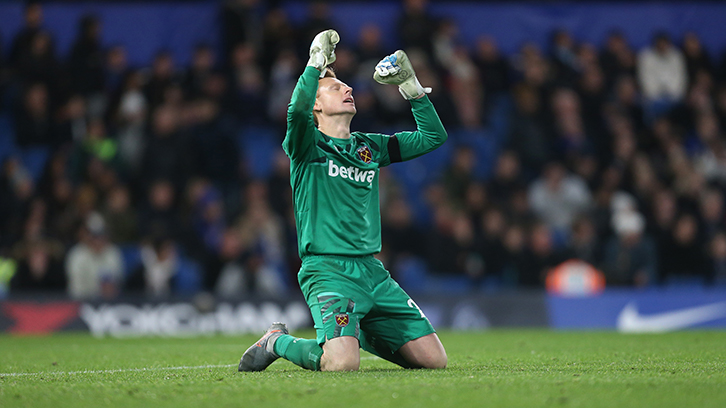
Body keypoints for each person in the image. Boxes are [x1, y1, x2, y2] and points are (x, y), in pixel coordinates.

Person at [238, 29, 448, 372]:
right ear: (316, 104)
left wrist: (411, 87)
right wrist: (314, 65)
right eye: (336, 88)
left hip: (372, 270)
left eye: (347, 86)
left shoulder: (370, 147)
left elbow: (433, 137)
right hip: (328, 270)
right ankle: (277, 341)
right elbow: (295, 113)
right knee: (341, 365)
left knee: (434, 361)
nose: (348, 89)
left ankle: (354, 327)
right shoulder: (307, 146)